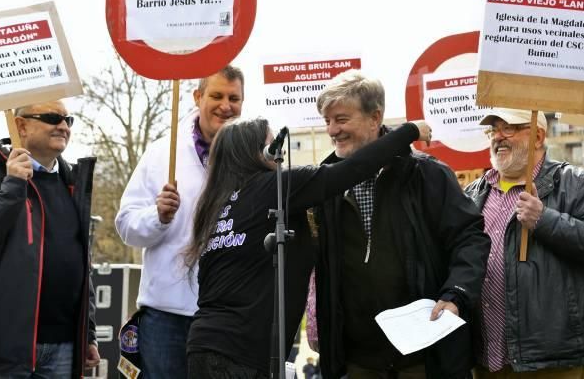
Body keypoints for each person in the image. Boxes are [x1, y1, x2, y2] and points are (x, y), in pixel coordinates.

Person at [183, 116, 433, 378]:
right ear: (256, 153)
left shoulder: (217, 205)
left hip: (205, 346)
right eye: (272, 145)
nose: (281, 152)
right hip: (239, 352)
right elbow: (350, 171)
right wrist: (409, 131)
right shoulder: (271, 189)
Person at [313, 70, 491, 379]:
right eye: (327, 121)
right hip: (358, 362)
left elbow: (470, 238)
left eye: (341, 119)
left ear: (375, 117)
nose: (332, 130)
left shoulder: (427, 175)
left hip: (423, 359)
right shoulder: (325, 185)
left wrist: (455, 296)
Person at [464, 108, 584, 378]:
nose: (498, 137)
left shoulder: (574, 182)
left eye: (508, 128)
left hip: (549, 359)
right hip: (487, 358)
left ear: (537, 136)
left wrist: (543, 219)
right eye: (493, 130)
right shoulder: (475, 192)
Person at [116, 65, 244, 378]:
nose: (225, 105)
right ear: (197, 97)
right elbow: (126, 226)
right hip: (167, 316)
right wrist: (157, 216)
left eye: (234, 98)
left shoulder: (254, 158)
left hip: (229, 315)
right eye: (216, 95)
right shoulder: (162, 152)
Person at [0, 100, 99, 377]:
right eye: (51, 117)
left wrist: (88, 332)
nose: (63, 126)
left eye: (67, 120)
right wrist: (12, 186)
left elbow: (78, 260)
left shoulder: (72, 180)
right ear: (20, 125)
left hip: (63, 348)